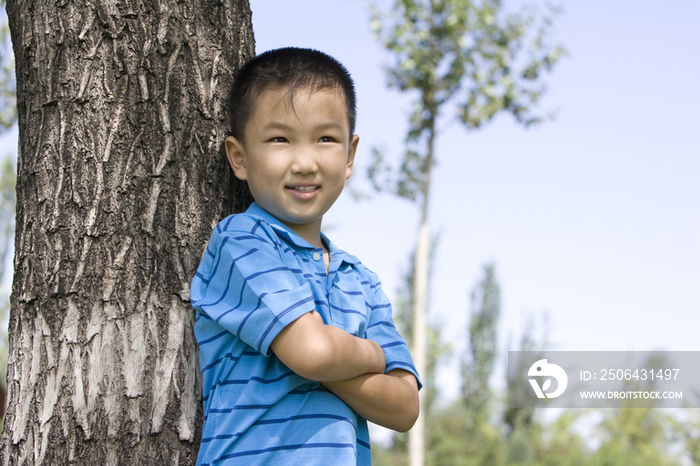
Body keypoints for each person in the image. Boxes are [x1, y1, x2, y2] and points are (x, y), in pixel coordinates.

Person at [190, 47, 421, 466]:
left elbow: (404, 407)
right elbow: (312, 353)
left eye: (325, 139)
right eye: (279, 139)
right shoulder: (242, 242)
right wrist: (371, 355)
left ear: (349, 156)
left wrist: (325, 356)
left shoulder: (361, 280)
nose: (304, 162)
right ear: (239, 157)